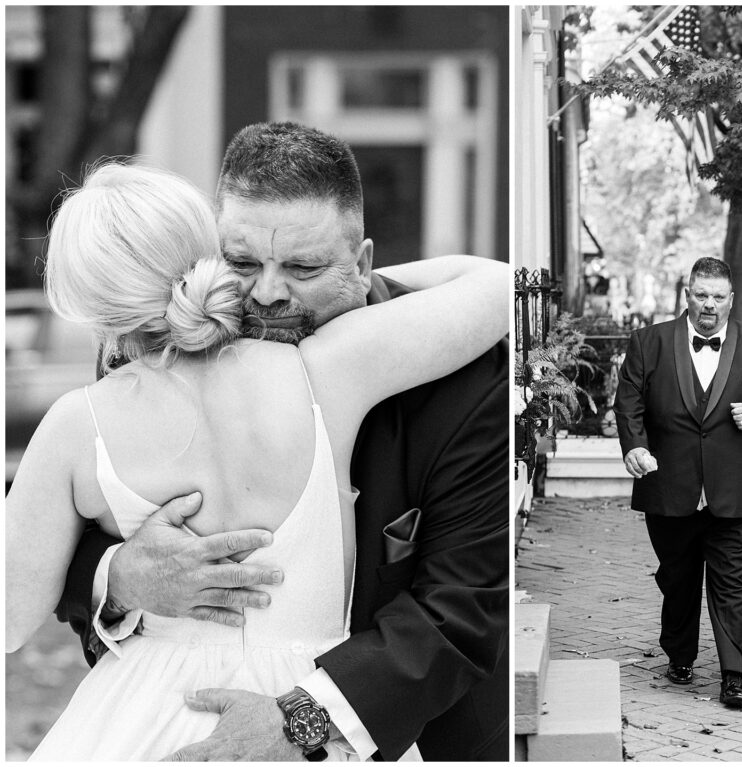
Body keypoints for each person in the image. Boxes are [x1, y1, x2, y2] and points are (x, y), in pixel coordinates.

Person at [6, 154, 507, 761]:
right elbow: (498, 284)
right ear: (209, 257)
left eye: (304, 266)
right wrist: (117, 576)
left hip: (167, 717)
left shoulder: (77, 422)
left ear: (83, 300)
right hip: (324, 712)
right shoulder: (331, 368)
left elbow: (10, 617)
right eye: (244, 264)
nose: (270, 292)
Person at [614, 257, 742, 709]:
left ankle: (734, 676)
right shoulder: (648, 342)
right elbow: (629, 402)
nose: (709, 305)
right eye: (701, 295)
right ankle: (679, 655)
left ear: (732, 300)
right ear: (687, 295)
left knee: (732, 582)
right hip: (669, 485)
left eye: (719, 297)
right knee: (677, 580)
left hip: (735, 489)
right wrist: (635, 446)